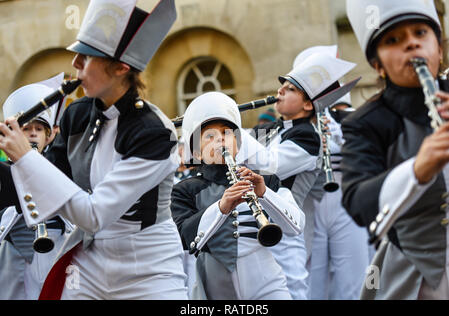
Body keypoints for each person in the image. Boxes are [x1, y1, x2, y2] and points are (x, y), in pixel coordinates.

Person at [0, 0, 188, 300]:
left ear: (120, 67)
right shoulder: (78, 114)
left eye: (86, 57)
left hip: (149, 267)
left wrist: (25, 156)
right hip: (89, 259)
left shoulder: (154, 132)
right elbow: (38, 186)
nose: (74, 63)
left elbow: (93, 214)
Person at [342, 0, 449, 299]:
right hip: (414, 274)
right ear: (378, 65)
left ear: (439, 50)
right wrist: (417, 170)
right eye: (393, 40)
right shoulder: (365, 123)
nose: (411, 43)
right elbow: (357, 201)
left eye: (420, 33)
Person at [171, 91, 305, 299]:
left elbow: (296, 226)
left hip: (266, 278)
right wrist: (222, 207)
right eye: (210, 136)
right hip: (215, 281)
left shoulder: (264, 180)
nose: (220, 141)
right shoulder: (186, 189)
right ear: (197, 153)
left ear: (238, 143)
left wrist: (264, 194)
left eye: (226, 133)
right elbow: (183, 236)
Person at [247, 51, 356, 299]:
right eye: (281, 87)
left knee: (291, 291)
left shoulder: (308, 136)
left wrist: (231, 133)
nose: (280, 91)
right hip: (254, 226)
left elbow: (267, 166)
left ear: (308, 104)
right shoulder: (271, 129)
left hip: (285, 229)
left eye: (290, 89)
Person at [0, 80, 74, 300]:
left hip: (57, 248)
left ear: (49, 136)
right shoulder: (4, 172)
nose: (33, 134)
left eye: (39, 129)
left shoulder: (61, 167)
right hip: (11, 253)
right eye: (26, 129)